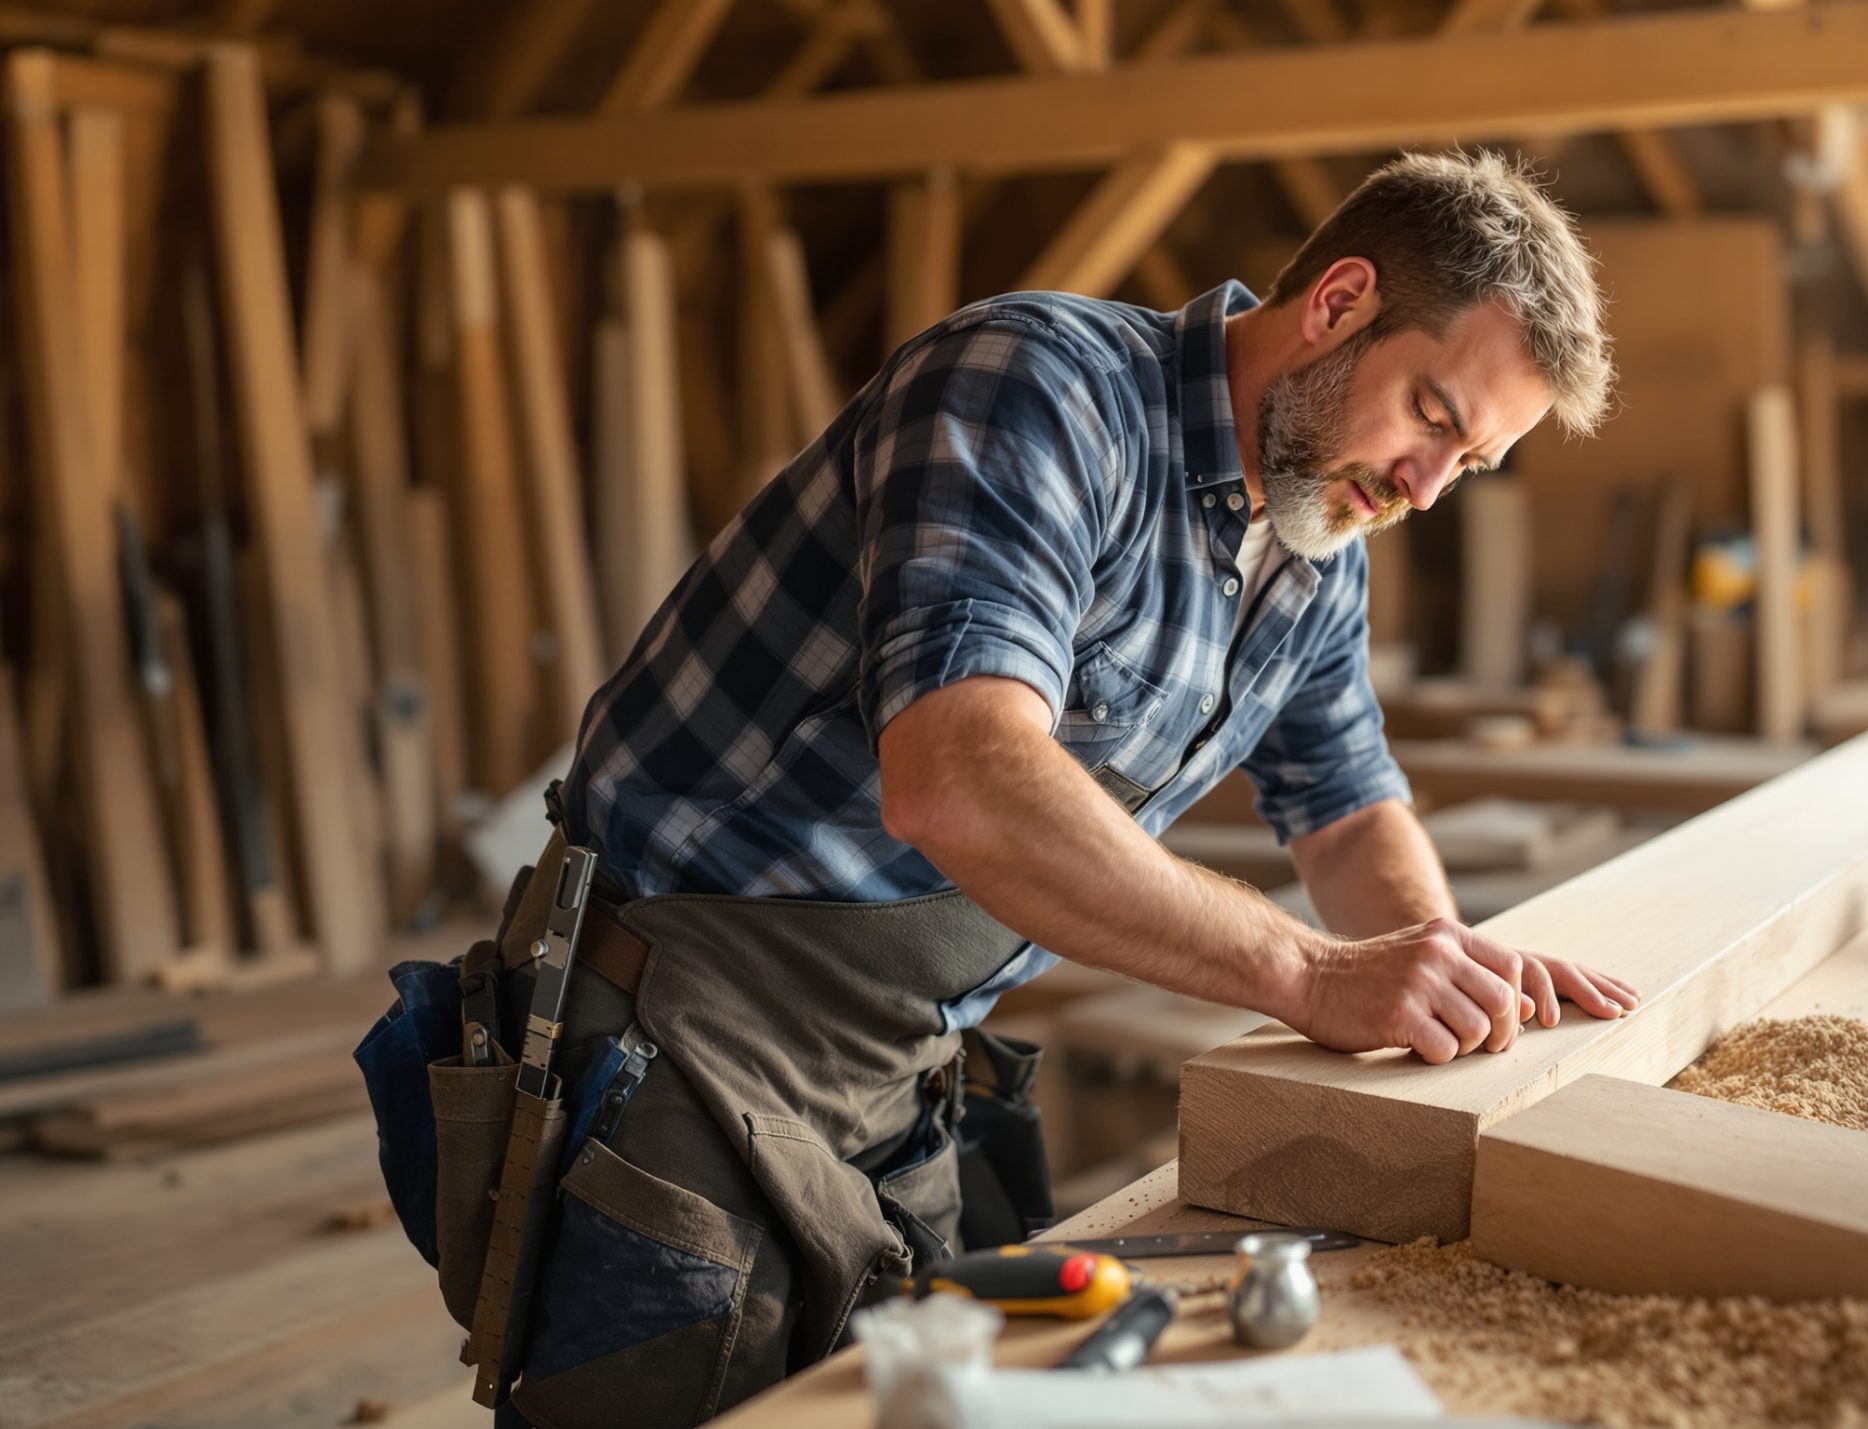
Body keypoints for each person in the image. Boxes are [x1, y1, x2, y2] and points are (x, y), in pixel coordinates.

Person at [388, 149, 1637, 1429]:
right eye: (1430, 414)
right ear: (1337, 304)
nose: (1424, 488)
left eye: (1469, 462)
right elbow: (958, 779)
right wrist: (1313, 975)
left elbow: (1347, 801)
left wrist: (1441, 966)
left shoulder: (1315, 546)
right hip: (674, 1021)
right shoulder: (1040, 388)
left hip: (895, 1056)